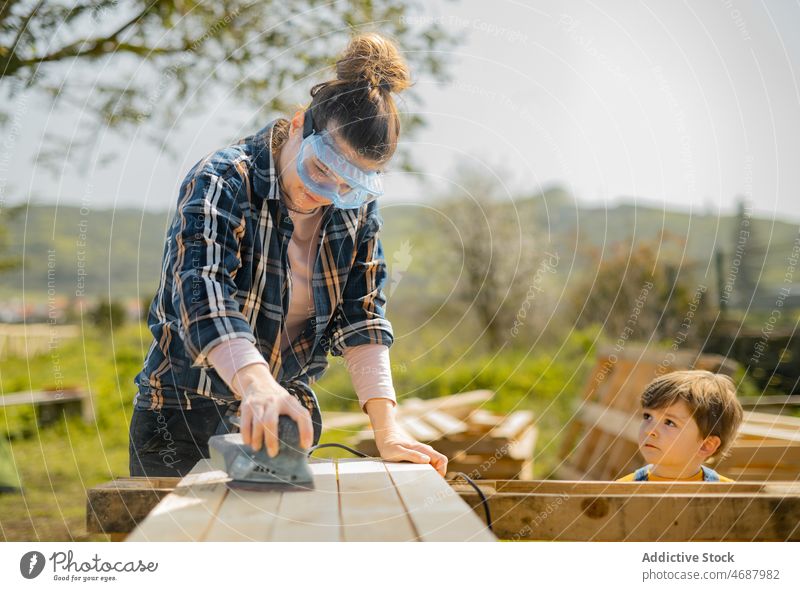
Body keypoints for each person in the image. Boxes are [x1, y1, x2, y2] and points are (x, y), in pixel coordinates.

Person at [129, 32, 447, 479]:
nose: (326, 194)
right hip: (181, 415)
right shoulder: (223, 179)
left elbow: (363, 318)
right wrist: (257, 385)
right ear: (300, 125)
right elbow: (201, 293)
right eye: (321, 169)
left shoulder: (351, 210)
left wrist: (387, 430)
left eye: (350, 185)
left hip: (281, 420)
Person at [616, 370, 743, 482]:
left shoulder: (728, 496)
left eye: (669, 422)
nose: (649, 430)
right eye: (647, 417)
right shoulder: (620, 492)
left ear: (706, 445)